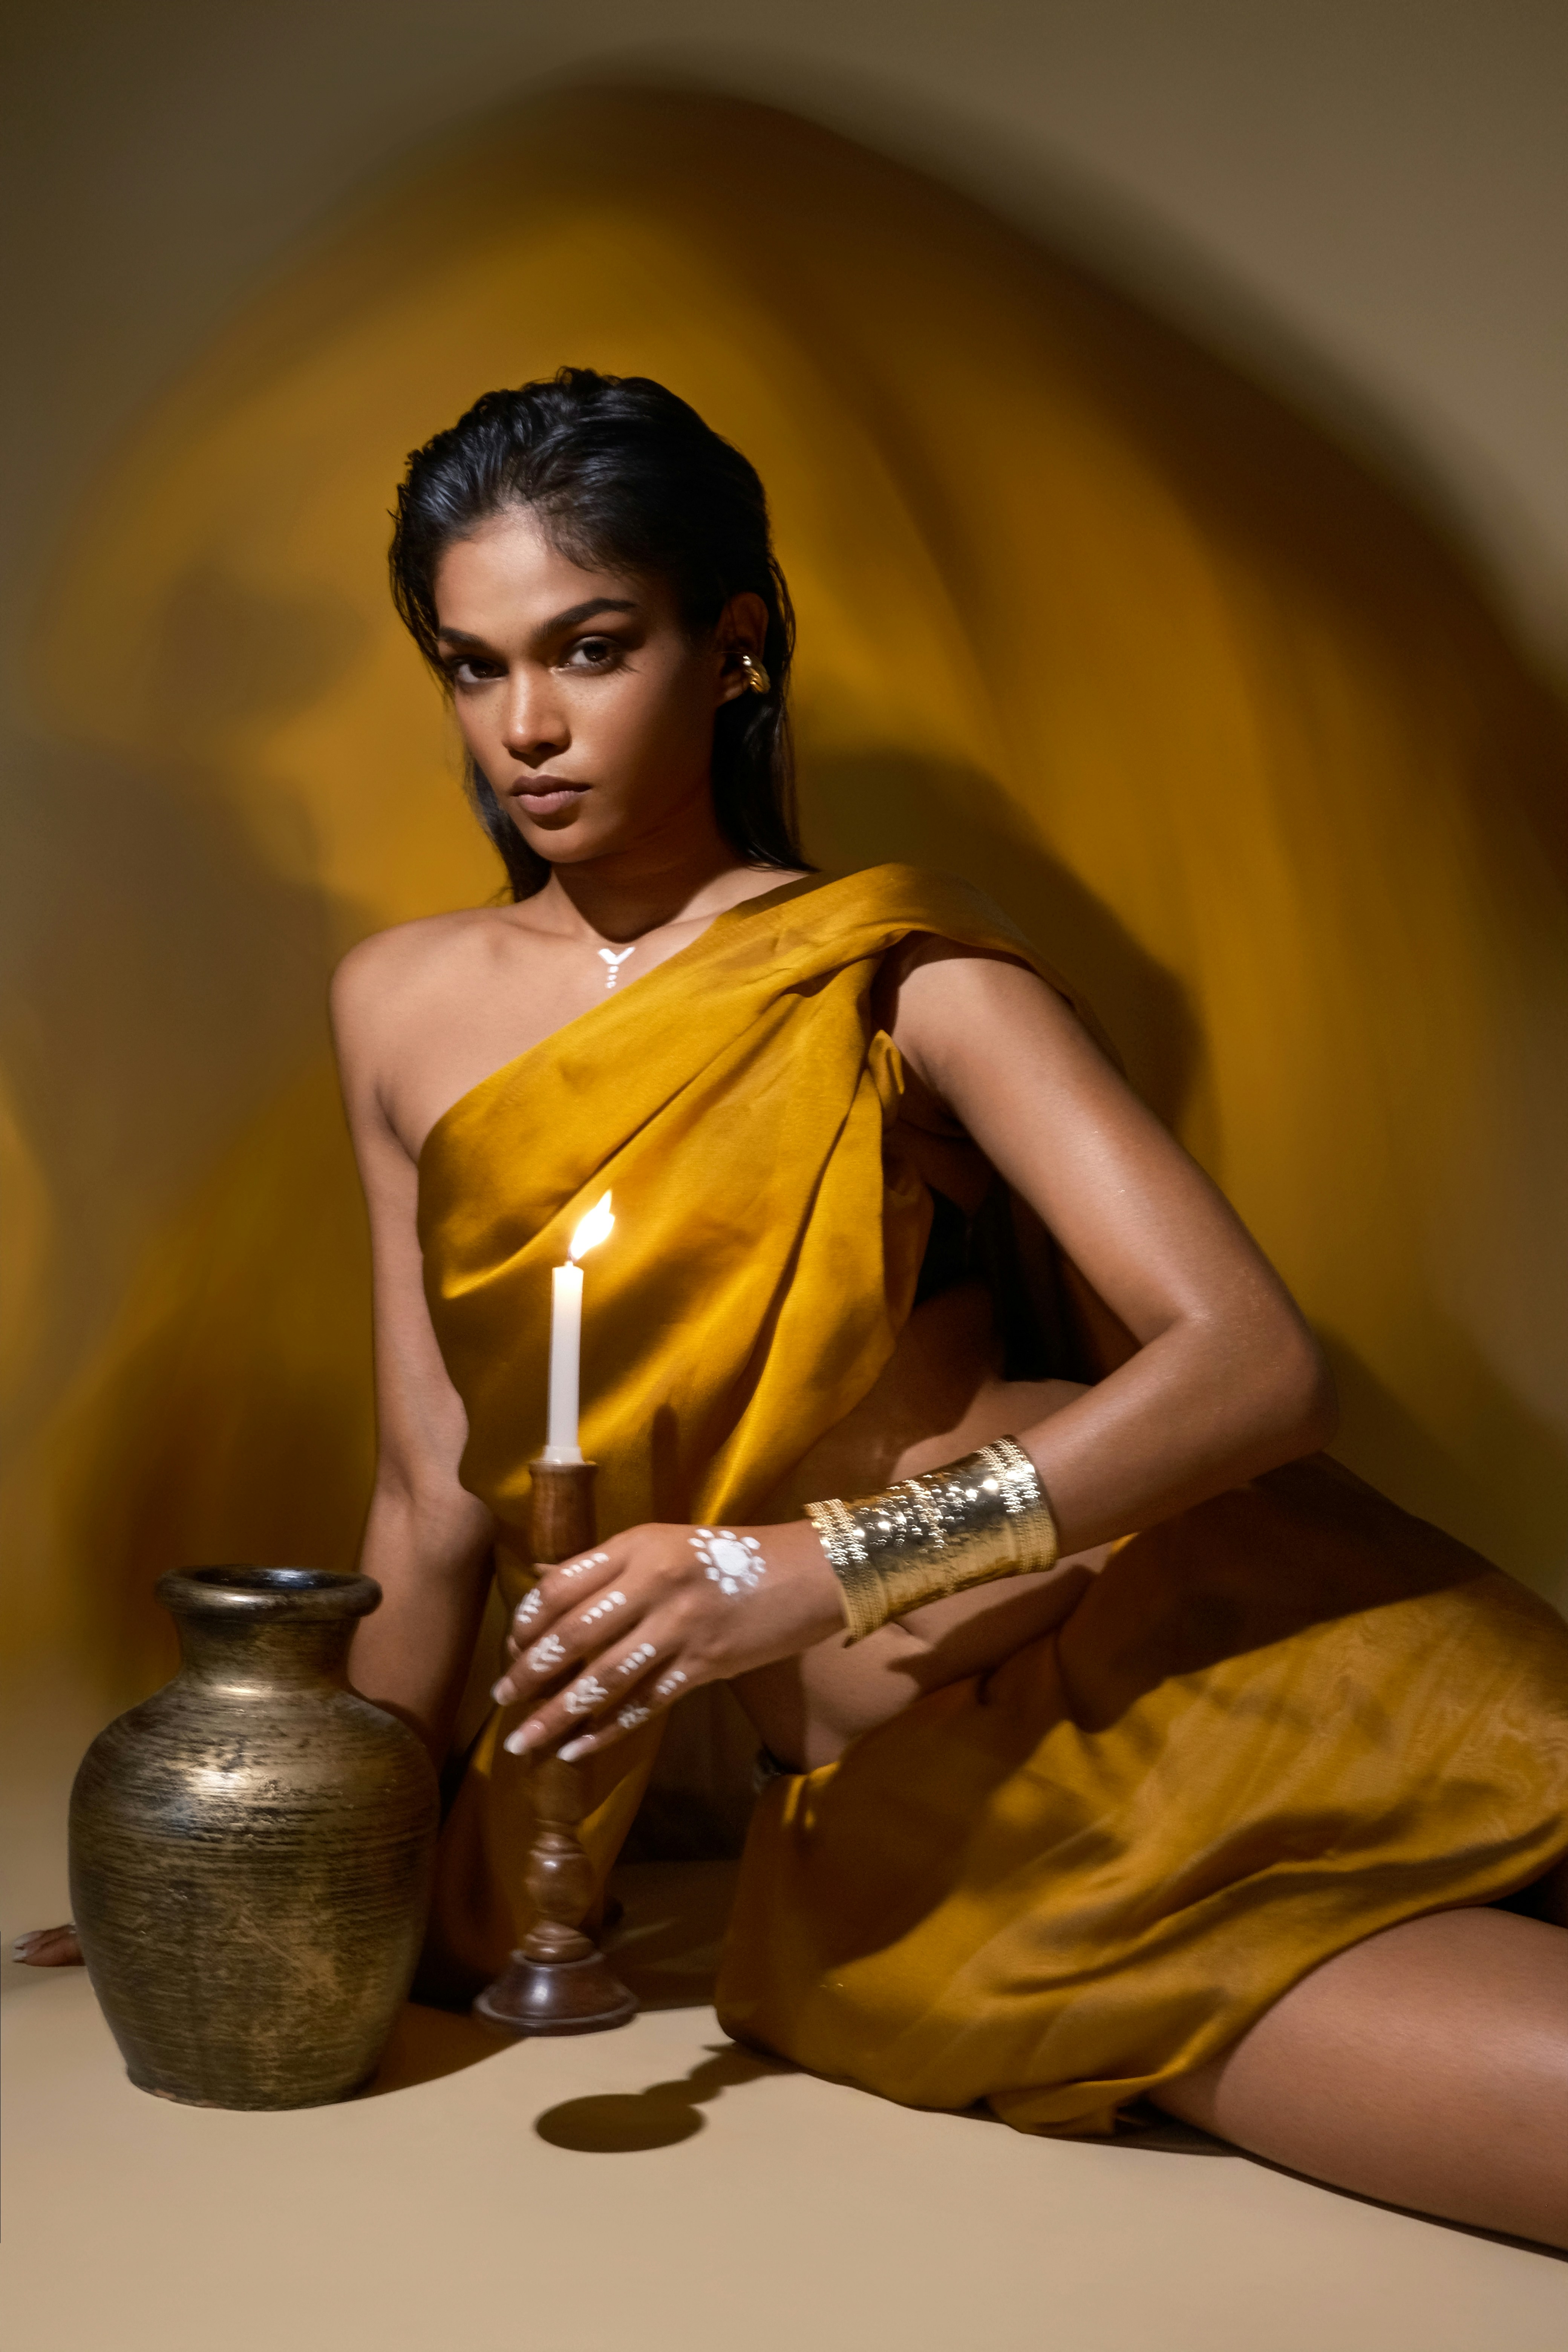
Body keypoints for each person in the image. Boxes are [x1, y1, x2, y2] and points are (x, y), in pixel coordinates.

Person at [20, 369, 1568, 2247]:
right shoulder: (397, 1007)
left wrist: (804, 1572)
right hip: (948, 1825)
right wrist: (309, 1867)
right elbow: (430, 1504)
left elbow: (1256, 1367)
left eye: (591, 649)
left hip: (1239, 1646)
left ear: (732, 643)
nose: (524, 726)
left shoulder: (895, 972)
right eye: (471, 665)